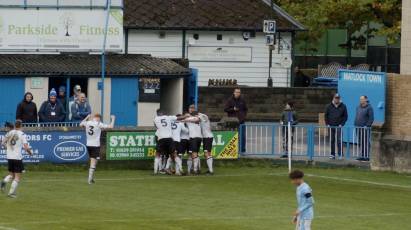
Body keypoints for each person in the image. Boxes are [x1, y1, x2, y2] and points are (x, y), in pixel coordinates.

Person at [0, 120, 33, 198]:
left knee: (11, 175)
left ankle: (3, 181)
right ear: (21, 125)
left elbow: (2, 143)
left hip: (9, 157)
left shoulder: (10, 132)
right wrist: (30, 153)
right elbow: (26, 147)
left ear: (15, 125)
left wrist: (7, 148)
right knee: (17, 177)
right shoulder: (22, 134)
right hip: (17, 157)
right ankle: (11, 193)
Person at [80, 114, 115, 184]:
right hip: (95, 145)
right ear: (98, 118)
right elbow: (111, 127)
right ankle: (89, 179)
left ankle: (91, 178)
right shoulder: (98, 124)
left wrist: (86, 117)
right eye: (99, 118)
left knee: (94, 161)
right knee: (93, 162)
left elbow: (80, 124)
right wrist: (113, 119)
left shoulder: (88, 122)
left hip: (88, 145)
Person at [153, 109, 177, 175]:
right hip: (169, 138)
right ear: (163, 113)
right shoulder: (168, 118)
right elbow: (178, 118)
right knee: (171, 154)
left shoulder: (156, 118)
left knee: (159, 154)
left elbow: (155, 126)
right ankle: (176, 169)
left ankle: (158, 170)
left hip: (160, 137)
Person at [324, 93, 348, 160]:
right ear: (333, 98)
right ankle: (332, 154)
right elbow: (326, 115)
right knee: (332, 140)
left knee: (339, 140)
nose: (337, 99)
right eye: (335, 98)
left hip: (339, 126)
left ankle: (340, 154)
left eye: (338, 98)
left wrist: (342, 124)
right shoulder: (328, 106)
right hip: (331, 126)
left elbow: (345, 116)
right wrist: (327, 124)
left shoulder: (343, 106)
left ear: (339, 99)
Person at [224, 88, 248, 152]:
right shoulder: (230, 100)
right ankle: (232, 151)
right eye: (236, 92)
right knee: (232, 136)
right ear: (234, 92)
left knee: (242, 136)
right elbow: (225, 109)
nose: (238, 93)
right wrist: (233, 109)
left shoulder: (242, 100)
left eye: (239, 92)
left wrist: (244, 116)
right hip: (232, 121)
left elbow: (245, 109)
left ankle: (242, 150)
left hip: (241, 121)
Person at [184, 105, 203, 175]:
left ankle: (195, 170)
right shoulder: (198, 116)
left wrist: (183, 118)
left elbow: (182, 120)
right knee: (193, 154)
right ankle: (195, 169)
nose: (191, 109)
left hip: (194, 137)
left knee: (194, 153)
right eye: (190, 108)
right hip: (197, 137)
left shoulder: (191, 117)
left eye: (193, 108)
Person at [354, 95, 374, 161]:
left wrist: (367, 125)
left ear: (366, 99)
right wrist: (355, 124)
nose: (361, 100)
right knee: (360, 141)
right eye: (360, 99)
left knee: (365, 142)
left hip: (364, 128)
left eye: (362, 99)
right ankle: (362, 155)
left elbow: (371, 118)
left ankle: (366, 156)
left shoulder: (369, 108)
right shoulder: (358, 107)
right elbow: (357, 116)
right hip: (358, 127)